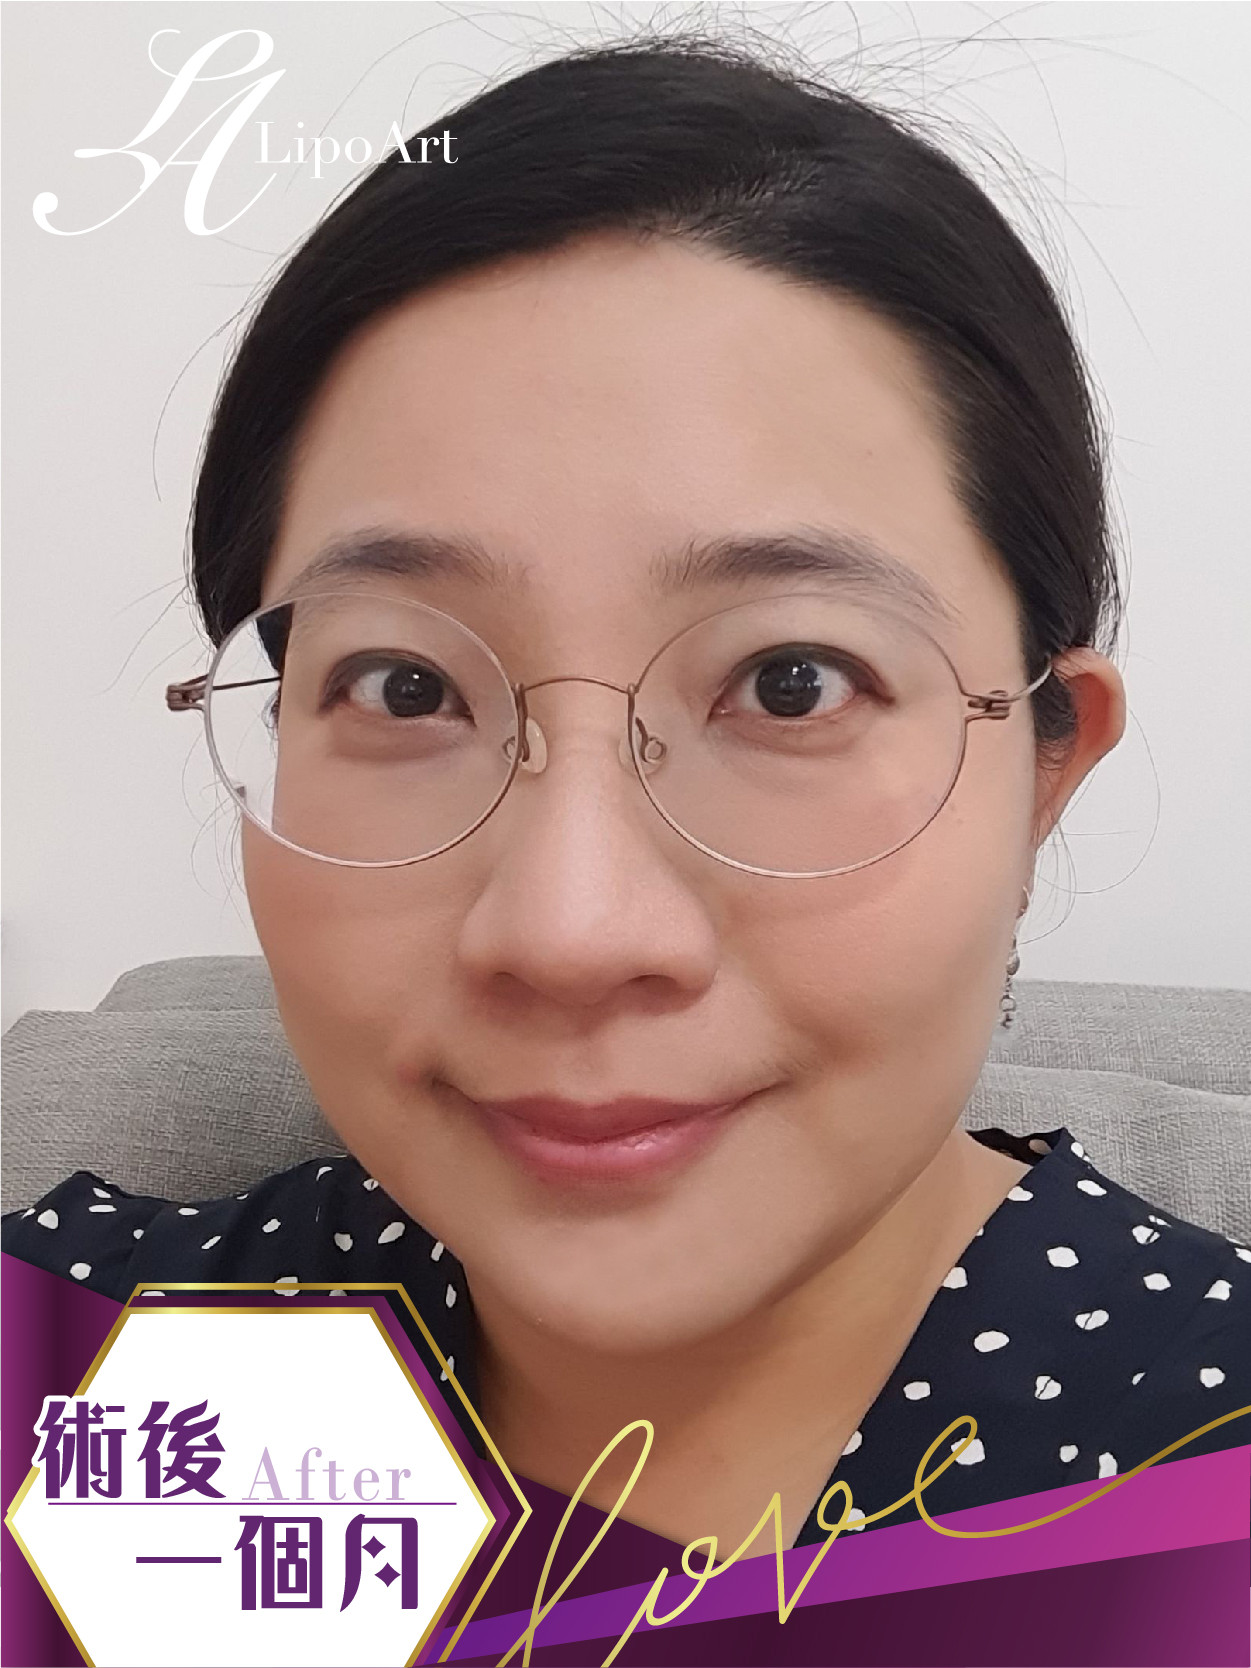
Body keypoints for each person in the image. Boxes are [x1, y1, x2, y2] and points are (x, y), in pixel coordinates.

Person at [4, 38, 1247, 1568]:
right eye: (404, 685)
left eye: (792, 681)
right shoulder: (93, 1374)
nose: (571, 932)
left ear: (1047, 765)